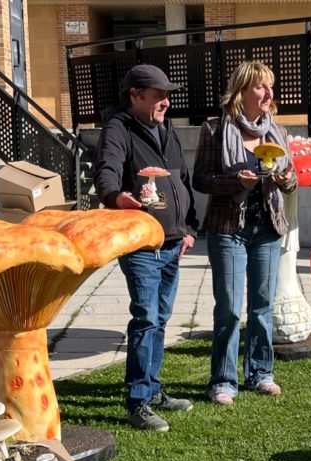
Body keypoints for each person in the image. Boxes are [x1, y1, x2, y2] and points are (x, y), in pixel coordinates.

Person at [92, 64, 199, 431]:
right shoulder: (119, 129)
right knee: (146, 319)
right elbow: (106, 171)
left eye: (167, 96)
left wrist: (189, 229)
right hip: (141, 246)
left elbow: (182, 181)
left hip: (173, 244)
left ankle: (152, 389)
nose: (165, 102)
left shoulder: (167, 130)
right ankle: (138, 402)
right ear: (135, 96)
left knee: (160, 320)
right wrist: (115, 197)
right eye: (157, 95)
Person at [193, 61, 298, 405]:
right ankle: (223, 381)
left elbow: (292, 180)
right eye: (260, 86)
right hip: (228, 229)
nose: (268, 93)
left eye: (270, 86)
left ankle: (261, 373)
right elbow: (201, 179)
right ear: (241, 91)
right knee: (229, 308)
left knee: (262, 306)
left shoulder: (277, 132)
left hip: (267, 227)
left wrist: (285, 179)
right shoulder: (215, 129)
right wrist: (235, 181)